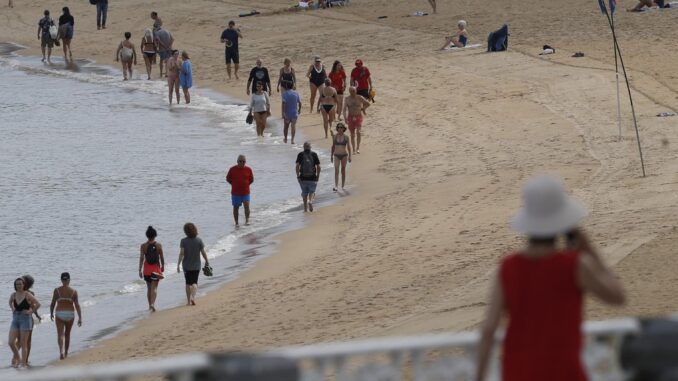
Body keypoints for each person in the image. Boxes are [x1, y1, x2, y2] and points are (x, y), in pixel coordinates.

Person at [475, 175, 626, 381]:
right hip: (564, 371)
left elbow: (488, 329)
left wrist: (479, 377)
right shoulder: (575, 265)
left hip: (518, 372)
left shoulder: (507, 267)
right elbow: (618, 296)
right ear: (563, 221)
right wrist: (590, 250)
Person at [8, 277, 40, 368]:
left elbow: (38, 304)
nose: (19, 286)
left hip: (25, 319)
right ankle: (18, 358)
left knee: (23, 343)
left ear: (24, 285)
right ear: (15, 285)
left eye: (20, 284)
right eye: (17, 284)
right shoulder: (13, 295)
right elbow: (10, 302)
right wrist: (12, 308)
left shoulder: (28, 294)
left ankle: (23, 364)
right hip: (15, 319)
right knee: (11, 342)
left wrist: (30, 312)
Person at [49, 273, 82, 360]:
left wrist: (51, 313)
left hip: (59, 313)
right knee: (67, 334)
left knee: (60, 334)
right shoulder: (74, 291)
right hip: (70, 314)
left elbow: (52, 303)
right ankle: (66, 353)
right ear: (69, 280)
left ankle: (61, 352)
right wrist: (80, 318)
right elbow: (77, 305)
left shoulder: (57, 290)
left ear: (61, 280)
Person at [177, 222, 210, 306]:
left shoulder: (183, 241)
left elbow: (181, 253)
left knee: (188, 283)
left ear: (185, 231)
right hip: (196, 265)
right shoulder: (199, 240)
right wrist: (206, 260)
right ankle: (193, 297)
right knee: (194, 282)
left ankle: (188, 301)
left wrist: (178, 264)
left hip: (186, 266)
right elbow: (203, 252)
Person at [139, 226, 165, 312]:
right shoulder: (158, 245)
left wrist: (139, 270)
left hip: (146, 269)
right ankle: (153, 304)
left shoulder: (143, 246)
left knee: (149, 288)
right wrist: (163, 266)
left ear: (147, 235)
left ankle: (150, 306)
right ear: (155, 235)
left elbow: (142, 258)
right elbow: (161, 257)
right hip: (155, 269)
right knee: (154, 288)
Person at [226, 155, 254, 226]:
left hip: (245, 192)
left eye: (243, 161)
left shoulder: (248, 169)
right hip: (235, 193)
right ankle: (237, 223)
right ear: (237, 161)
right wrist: (233, 184)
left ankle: (247, 220)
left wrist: (246, 185)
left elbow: (251, 180)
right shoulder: (232, 169)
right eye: (240, 161)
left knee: (247, 206)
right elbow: (228, 179)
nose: (242, 163)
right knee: (236, 208)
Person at [343, 86, 370, 154]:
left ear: (356, 91)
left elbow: (368, 103)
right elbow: (344, 109)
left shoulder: (359, 97)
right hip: (350, 117)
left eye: (354, 91)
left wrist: (363, 109)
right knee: (352, 135)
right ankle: (354, 149)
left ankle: (358, 148)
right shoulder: (347, 99)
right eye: (351, 91)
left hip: (358, 117)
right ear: (349, 92)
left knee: (358, 132)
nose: (353, 92)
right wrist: (345, 118)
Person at [296, 142, 321, 212]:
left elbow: (297, 166)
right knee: (312, 191)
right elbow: (318, 166)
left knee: (304, 193)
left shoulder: (300, 154)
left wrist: (298, 176)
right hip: (312, 178)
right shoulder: (314, 154)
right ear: (310, 147)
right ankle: (310, 201)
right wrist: (318, 176)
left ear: (304, 147)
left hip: (303, 178)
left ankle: (305, 210)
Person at [331, 123, 352, 191]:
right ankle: (336, 186)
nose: (340, 129)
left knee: (343, 170)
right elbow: (333, 146)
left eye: (341, 127)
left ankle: (343, 186)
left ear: (343, 129)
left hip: (344, 155)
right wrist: (331, 156)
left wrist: (350, 156)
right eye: (338, 127)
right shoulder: (335, 136)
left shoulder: (346, 137)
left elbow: (349, 147)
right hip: (336, 155)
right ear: (337, 129)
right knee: (336, 170)